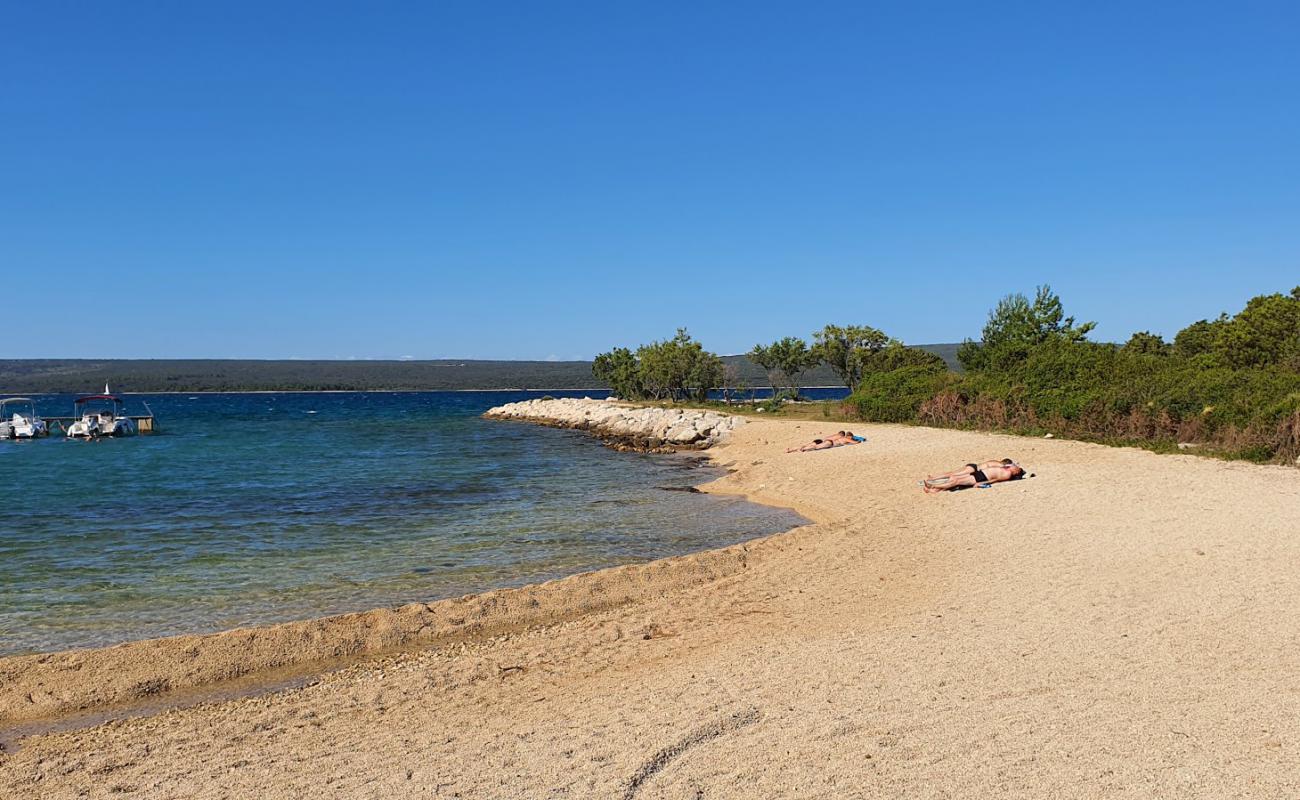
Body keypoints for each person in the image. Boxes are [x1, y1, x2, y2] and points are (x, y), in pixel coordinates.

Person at [921, 459, 1025, 492]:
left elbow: (995, 480)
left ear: (1016, 472)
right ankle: (933, 489)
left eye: (1016, 467)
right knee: (955, 479)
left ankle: (933, 486)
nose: (1014, 465)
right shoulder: (1005, 468)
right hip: (980, 474)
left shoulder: (1007, 474)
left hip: (982, 477)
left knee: (956, 481)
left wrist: (980, 483)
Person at [786, 430, 866, 453]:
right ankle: (802, 449)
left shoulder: (838, 435)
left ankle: (791, 449)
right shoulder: (845, 438)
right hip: (830, 443)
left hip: (822, 440)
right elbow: (854, 442)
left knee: (808, 445)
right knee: (815, 447)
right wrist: (859, 440)